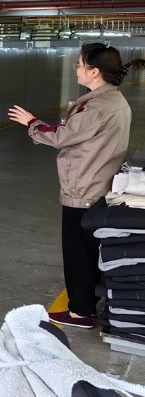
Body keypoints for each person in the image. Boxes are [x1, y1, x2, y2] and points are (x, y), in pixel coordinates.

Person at [8, 43, 132, 329]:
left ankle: (80, 312)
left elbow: (61, 136)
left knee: (78, 252)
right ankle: (87, 303)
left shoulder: (97, 107)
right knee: (90, 249)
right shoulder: (113, 100)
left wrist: (32, 122)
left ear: (94, 71)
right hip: (99, 183)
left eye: (79, 64)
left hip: (84, 187)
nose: (76, 69)